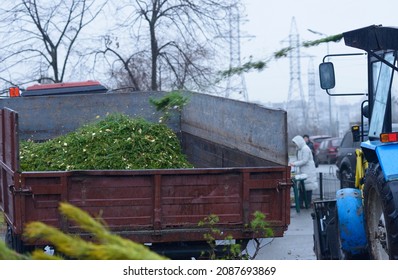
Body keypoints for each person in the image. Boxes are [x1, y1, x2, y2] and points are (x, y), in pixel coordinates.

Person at [290, 135, 318, 208]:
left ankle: (307, 203)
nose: (295, 145)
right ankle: (302, 203)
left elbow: (304, 160)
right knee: (303, 187)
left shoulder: (305, 149)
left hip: (308, 170)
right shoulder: (300, 149)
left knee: (308, 188)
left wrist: (294, 164)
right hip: (304, 170)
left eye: (295, 143)